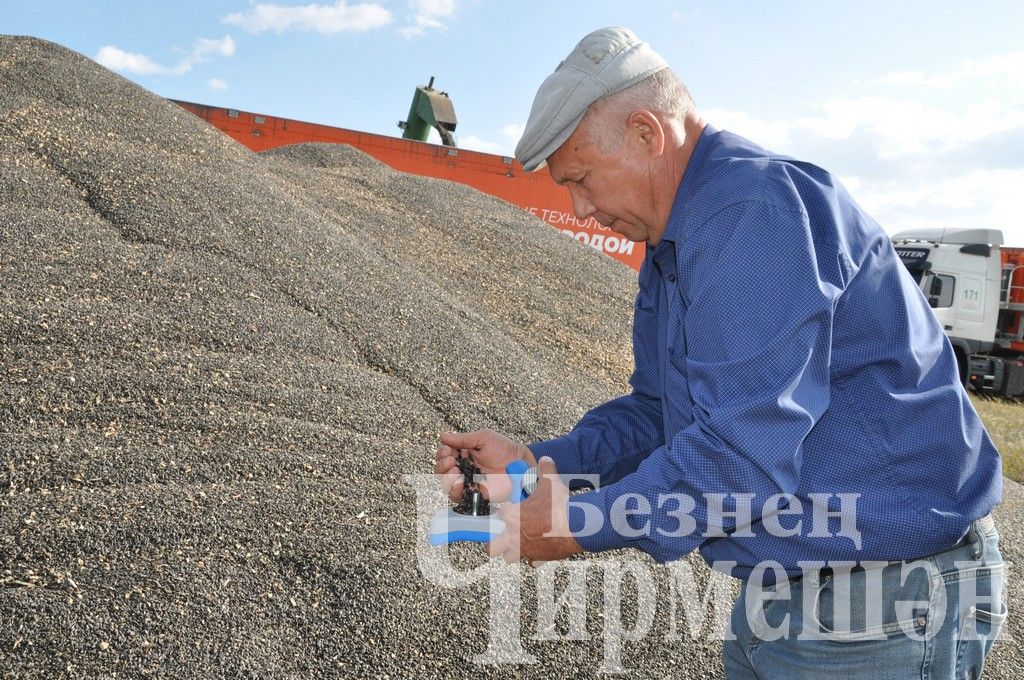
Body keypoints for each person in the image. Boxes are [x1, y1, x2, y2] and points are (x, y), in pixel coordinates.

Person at [434, 27, 1005, 679]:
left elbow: (743, 454)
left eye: (583, 179)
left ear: (648, 133)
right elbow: (660, 413)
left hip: (879, 607)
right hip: (789, 594)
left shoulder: (750, 213)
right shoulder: (675, 243)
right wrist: (546, 462)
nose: (581, 209)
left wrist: (569, 524)